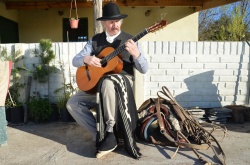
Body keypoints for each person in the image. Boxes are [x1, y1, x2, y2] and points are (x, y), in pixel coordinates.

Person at [66, 2, 148, 158]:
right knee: (72, 104)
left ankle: (110, 131)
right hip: (98, 84)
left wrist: (137, 54)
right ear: (104, 23)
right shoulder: (95, 40)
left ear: (121, 22)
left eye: (117, 21)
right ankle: (100, 135)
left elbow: (144, 69)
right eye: (110, 21)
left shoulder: (130, 40)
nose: (114, 24)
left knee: (109, 81)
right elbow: (75, 61)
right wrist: (87, 58)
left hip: (122, 84)